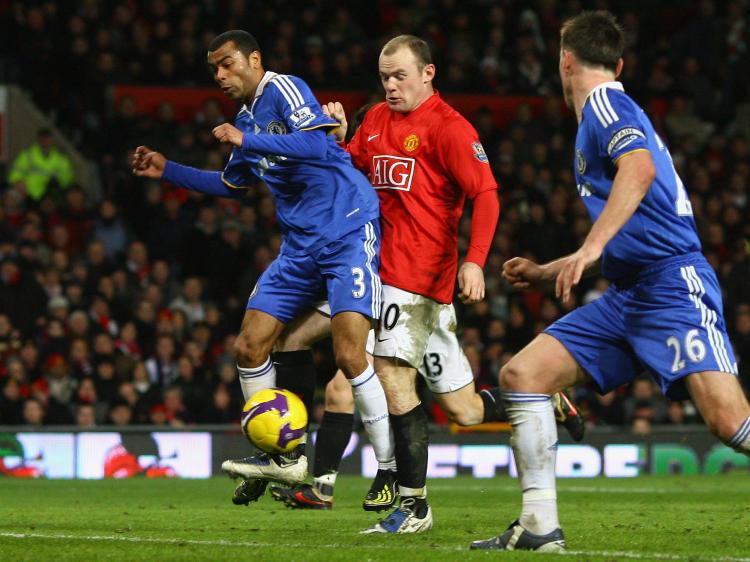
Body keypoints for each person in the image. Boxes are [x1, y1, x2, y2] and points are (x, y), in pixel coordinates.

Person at [470, 11, 750, 552]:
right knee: (524, 375)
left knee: (727, 422)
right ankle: (537, 526)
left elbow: (639, 170)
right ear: (618, 62)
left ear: (564, 61)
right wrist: (554, 267)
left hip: (671, 286)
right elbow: (633, 226)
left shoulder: (604, 103)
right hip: (628, 293)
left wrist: (590, 248)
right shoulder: (603, 116)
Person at [270, 102, 584, 514]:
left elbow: (483, 194)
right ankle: (329, 485)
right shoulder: (362, 161)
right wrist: (339, 140)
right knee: (458, 408)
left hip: (416, 287)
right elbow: (341, 172)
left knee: (382, 389)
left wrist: (473, 260)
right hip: (384, 282)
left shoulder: (438, 137)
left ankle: (378, 479)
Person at [131, 30, 394, 501]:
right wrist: (168, 169)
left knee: (351, 357)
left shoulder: (284, 89)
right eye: (214, 69)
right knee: (250, 347)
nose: (221, 75)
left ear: (255, 59)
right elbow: (233, 184)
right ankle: (282, 457)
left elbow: (318, 146)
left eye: (228, 64)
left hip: (348, 232)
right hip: (298, 249)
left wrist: (247, 139)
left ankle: (391, 470)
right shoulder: (245, 119)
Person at [8, 129, 75, 201]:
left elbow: (67, 180)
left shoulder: (61, 158)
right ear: (38, 140)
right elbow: (14, 174)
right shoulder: (28, 154)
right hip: (27, 194)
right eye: (43, 139)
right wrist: (18, 182)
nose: (45, 142)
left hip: (47, 196)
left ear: (52, 141)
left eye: (48, 139)